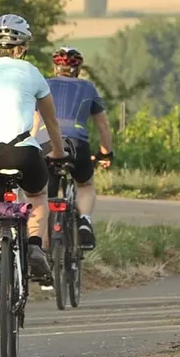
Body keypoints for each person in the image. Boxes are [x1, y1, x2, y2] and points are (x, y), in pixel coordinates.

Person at [0, 14, 67, 343]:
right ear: (23, 47)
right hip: (23, 152)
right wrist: (59, 154)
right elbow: (51, 122)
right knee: (37, 196)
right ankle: (35, 245)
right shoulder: (32, 73)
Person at [35, 47, 115, 250]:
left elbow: (34, 123)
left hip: (47, 145)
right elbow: (103, 125)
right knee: (85, 184)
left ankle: (41, 252)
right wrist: (106, 152)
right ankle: (85, 221)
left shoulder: (43, 84)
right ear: (78, 68)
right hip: (77, 144)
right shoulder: (88, 88)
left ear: (55, 67)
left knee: (43, 196)